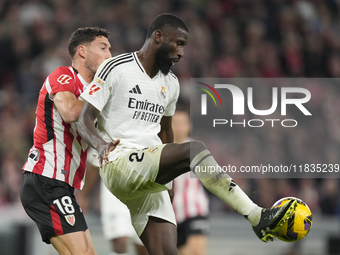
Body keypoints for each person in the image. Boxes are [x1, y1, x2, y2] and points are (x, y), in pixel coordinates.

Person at [77, 13, 298, 255]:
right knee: (194, 150)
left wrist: (168, 180)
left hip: (149, 175)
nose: (181, 53)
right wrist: (100, 146)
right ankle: (257, 215)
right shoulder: (116, 67)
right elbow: (84, 118)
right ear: (158, 37)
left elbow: (165, 131)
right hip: (119, 161)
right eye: (179, 43)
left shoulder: (170, 83)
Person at [20, 27, 112, 255]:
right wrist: (105, 97)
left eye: (109, 48)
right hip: (46, 178)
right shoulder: (62, 76)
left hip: (62, 185)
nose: (109, 55)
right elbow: (70, 111)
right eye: (103, 48)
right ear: (82, 51)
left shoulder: (93, 91)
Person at [81, 149, 149, 255]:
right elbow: (93, 163)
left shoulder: (148, 133)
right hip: (114, 197)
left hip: (143, 195)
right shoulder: (107, 134)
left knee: (144, 245)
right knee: (119, 242)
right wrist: (84, 196)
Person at [171, 108, 210, 255]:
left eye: (182, 123)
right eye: (175, 123)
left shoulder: (197, 149)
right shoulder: (161, 150)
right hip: (172, 214)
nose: (179, 127)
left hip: (195, 209)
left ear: (189, 125)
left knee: (197, 251)